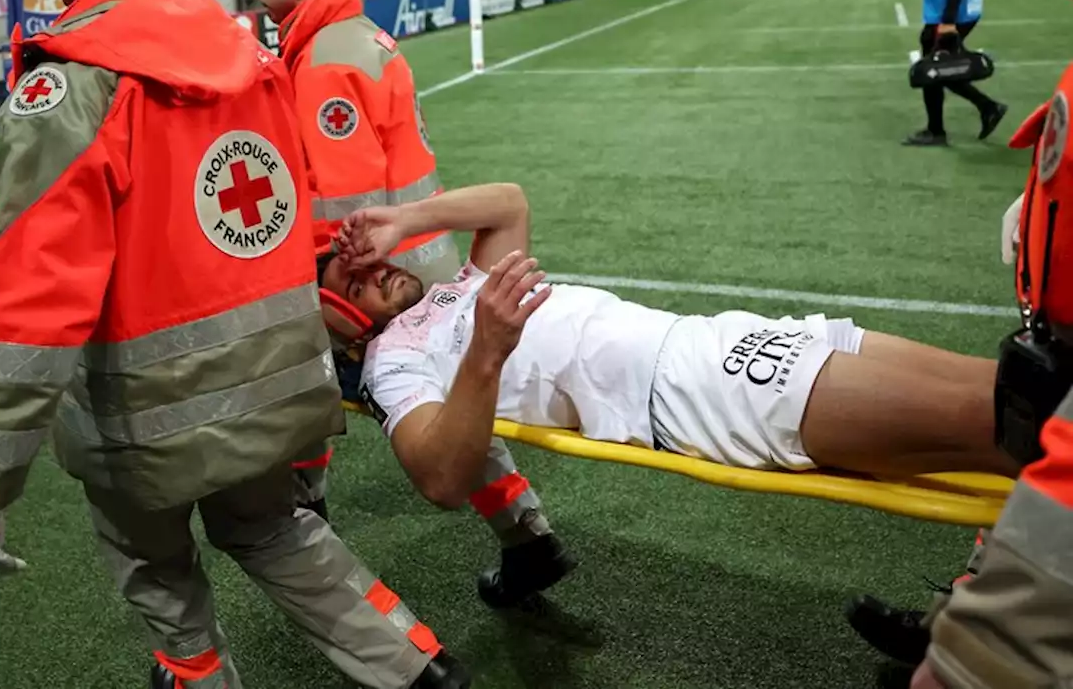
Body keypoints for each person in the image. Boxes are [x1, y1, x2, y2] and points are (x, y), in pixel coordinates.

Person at [0, 0, 470, 687]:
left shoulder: (76, 81)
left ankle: (195, 671)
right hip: (275, 382)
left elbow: (34, 288)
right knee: (281, 532)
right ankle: (418, 664)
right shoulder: (246, 54)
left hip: (141, 420)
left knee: (154, 566)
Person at [315, 182, 1020, 511]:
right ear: (339, 317)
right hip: (690, 388)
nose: (375, 266)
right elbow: (441, 478)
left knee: (1017, 387)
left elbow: (510, 202)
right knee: (1005, 424)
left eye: (368, 256)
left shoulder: (457, 287)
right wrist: (490, 349)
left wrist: (404, 215)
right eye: (355, 276)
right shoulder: (391, 362)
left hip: (721, 335)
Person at [256, 0, 577, 610]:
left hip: (372, 281)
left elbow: (351, 203)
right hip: (419, 267)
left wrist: (322, 292)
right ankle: (526, 534)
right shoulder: (358, 36)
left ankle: (307, 524)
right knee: (456, 404)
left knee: (298, 397)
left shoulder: (322, 60)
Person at [860, 0, 1073, 686]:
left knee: (1049, 485)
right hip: (1056, 321)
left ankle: (975, 641)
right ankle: (964, 603)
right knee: (1029, 448)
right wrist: (1040, 195)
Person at [904, 0, 1007, 147]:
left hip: (949, 16)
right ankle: (987, 108)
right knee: (941, 68)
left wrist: (948, 21)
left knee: (933, 70)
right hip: (963, 11)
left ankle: (936, 130)